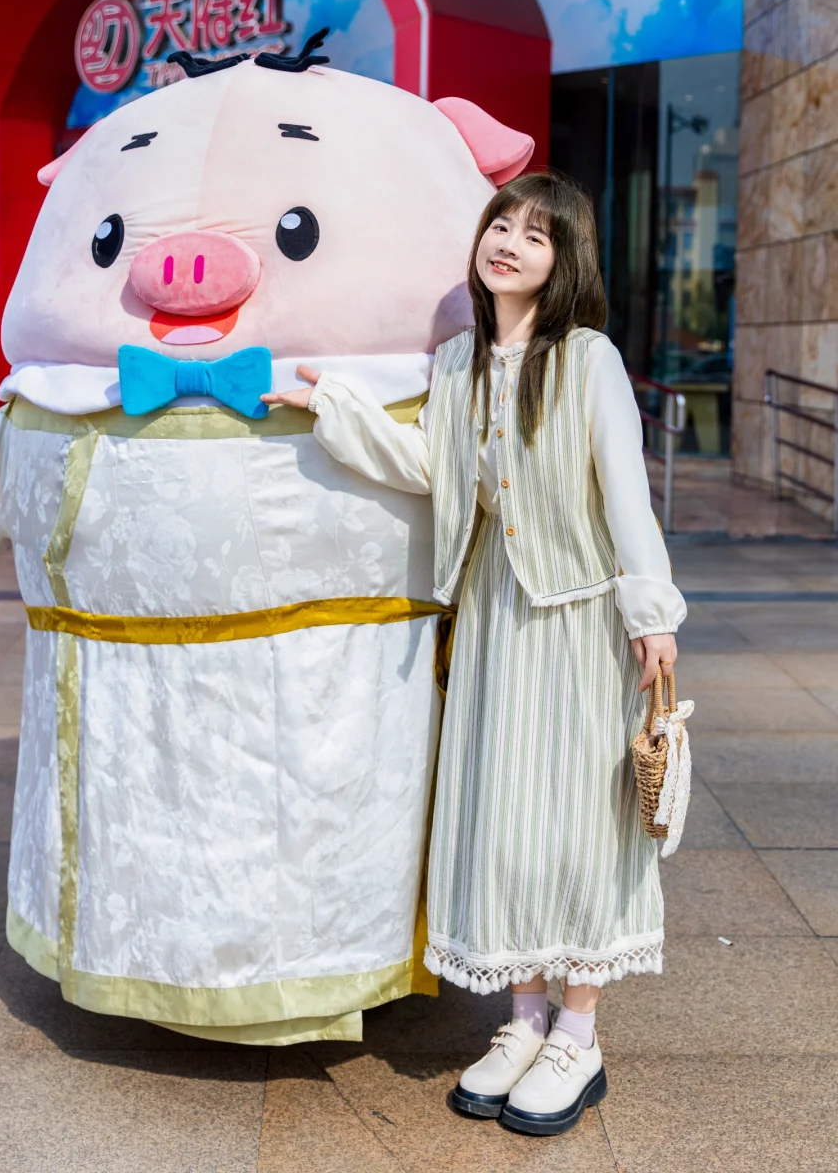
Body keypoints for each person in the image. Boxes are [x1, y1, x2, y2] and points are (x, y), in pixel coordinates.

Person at [263, 170, 686, 1137]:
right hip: (496, 615)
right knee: (504, 816)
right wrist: (338, 408)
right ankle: (524, 1020)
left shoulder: (587, 359)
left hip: (580, 617)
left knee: (581, 819)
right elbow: (435, 469)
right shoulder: (457, 362)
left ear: (564, 261)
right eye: (502, 224)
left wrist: (650, 613)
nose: (510, 243)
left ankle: (579, 1035)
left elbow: (626, 491)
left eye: (536, 235)